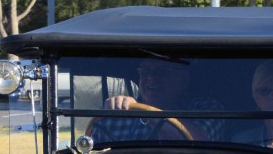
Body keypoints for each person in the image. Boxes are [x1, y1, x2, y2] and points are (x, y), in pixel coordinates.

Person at [85, 58, 224, 142]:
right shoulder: (119, 115)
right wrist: (113, 107)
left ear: (184, 79)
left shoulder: (204, 107)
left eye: (162, 72)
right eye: (145, 72)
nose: (151, 78)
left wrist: (149, 114)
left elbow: (198, 141)